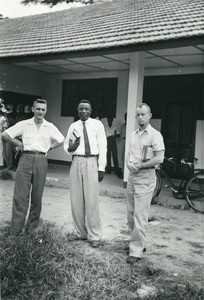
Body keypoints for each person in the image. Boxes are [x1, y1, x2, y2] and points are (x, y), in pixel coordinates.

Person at [1, 99, 64, 235]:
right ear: (33, 109)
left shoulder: (49, 126)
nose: (40, 111)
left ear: (45, 111)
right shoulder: (24, 124)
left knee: (37, 196)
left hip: (41, 160)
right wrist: (19, 143)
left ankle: (31, 229)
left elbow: (61, 139)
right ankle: (16, 230)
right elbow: (5, 135)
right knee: (20, 195)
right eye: (38, 109)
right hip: (25, 159)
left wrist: (49, 148)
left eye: (43, 109)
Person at [64, 99, 107, 248]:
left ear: (90, 111)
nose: (83, 111)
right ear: (77, 110)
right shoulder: (73, 126)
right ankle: (80, 232)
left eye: (86, 109)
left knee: (92, 200)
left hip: (91, 162)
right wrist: (71, 147)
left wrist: (101, 167)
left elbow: (103, 146)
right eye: (81, 109)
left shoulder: (97, 125)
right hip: (76, 161)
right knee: (76, 199)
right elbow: (66, 146)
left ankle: (95, 235)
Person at [126, 103, 165, 264]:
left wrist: (141, 166)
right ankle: (136, 243)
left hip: (146, 176)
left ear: (149, 116)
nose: (140, 117)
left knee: (140, 215)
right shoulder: (133, 135)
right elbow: (130, 154)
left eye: (143, 114)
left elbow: (159, 158)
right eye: (138, 115)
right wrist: (129, 164)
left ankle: (136, 252)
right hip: (132, 176)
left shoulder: (155, 135)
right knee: (130, 213)